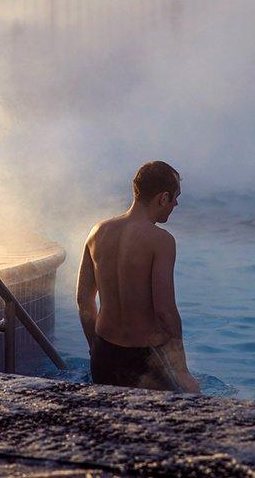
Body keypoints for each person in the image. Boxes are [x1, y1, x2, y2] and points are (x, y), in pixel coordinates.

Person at [75, 161, 200, 393]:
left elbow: (84, 299)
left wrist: (95, 346)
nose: (177, 204)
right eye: (175, 197)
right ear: (163, 198)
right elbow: (165, 311)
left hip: (104, 353)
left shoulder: (98, 232)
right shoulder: (161, 241)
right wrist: (182, 370)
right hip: (144, 358)